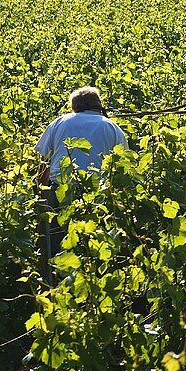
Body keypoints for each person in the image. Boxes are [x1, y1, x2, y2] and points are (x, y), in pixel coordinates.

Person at [35, 87, 126, 261]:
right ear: (99, 106)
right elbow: (122, 167)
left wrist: (43, 192)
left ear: (74, 106)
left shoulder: (60, 122)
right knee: (95, 247)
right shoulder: (112, 127)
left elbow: (43, 162)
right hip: (98, 196)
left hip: (61, 191)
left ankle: (56, 283)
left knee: (56, 246)